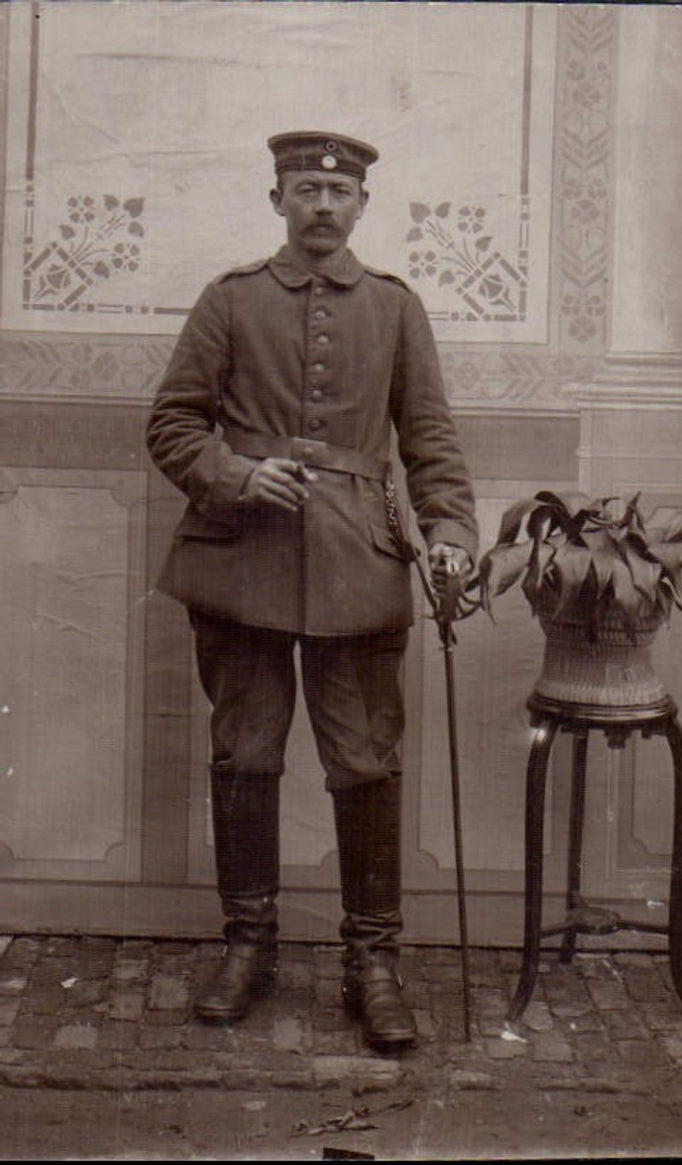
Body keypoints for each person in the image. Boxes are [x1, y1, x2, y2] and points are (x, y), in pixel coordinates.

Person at [146, 131, 478, 1050]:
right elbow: (171, 424)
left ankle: (373, 962)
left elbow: (431, 442)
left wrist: (451, 537)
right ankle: (248, 948)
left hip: (357, 564)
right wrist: (236, 474)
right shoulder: (230, 299)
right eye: (304, 189)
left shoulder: (395, 307)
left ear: (362, 205)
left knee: (365, 763)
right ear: (277, 201)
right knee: (245, 756)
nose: (322, 204)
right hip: (239, 561)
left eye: (338, 191)